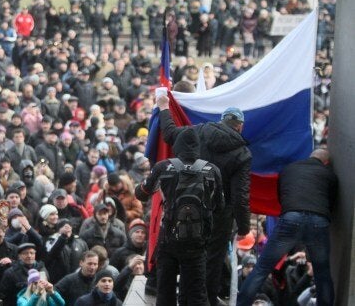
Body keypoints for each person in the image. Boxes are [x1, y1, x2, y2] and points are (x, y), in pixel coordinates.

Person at [157, 85, 251, 305]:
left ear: (221, 121)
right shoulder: (242, 153)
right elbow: (240, 195)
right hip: (219, 214)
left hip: (182, 208)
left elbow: (170, 133)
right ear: (240, 127)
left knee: (184, 256)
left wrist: (163, 107)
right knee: (211, 261)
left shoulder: (196, 132)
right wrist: (244, 227)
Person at [238, 149, 338, 306]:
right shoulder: (329, 175)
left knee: (262, 268)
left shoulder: (289, 170)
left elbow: (281, 195)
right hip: (318, 220)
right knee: (322, 273)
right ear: (325, 163)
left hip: (290, 218)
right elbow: (331, 204)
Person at [135, 128, 223, 305]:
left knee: (165, 291)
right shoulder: (212, 170)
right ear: (197, 147)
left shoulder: (163, 167)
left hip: (169, 238)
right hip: (197, 242)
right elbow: (219, 206)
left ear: (178, 146)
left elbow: (141, 194)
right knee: (197, 293)